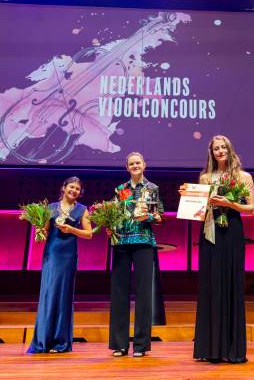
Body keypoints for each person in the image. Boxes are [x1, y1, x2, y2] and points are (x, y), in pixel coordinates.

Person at [189, 135, 254, 364]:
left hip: (232, 233)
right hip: (210, 232)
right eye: (216, 148)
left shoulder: (243, 177)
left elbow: (251, 209)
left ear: (230, 149)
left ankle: (232, 348)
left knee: (230, 284)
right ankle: (210, 348)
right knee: (210, 285)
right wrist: (190, 201)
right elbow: (196, 212)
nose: (220, 151)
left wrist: (229, 204)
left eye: (223, 147)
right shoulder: (205, 177)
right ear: (211, 153)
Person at [27, 176, 92, 353]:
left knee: (64, 295)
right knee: (49, 293)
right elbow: (45, 231)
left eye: (77, 189)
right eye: (71, 187)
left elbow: (89, 234)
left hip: (68, 255)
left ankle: (60, 342)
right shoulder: (50, 208)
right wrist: (39, 230)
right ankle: (43, 341)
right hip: (52, 254)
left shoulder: (82, 210)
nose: (74, 191)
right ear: (64, 188)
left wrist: (71, 229)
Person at [109, 152, 164, 357]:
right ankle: (119, 344)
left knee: (143, 294)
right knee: (119, 294)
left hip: (143, 242)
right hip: (121, 242)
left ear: (144, 164)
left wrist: (149, 215)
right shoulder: (120, 189)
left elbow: (158, 217)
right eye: (131, 163)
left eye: (138, 162)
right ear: (127, 167)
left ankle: (140, 345)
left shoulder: (152, 189)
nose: (135, 166)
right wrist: (109, 223)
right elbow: (114, 214)